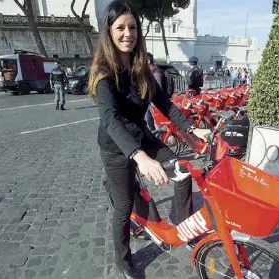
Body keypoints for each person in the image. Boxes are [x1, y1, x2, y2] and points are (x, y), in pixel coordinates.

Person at [87, 2, 211, 278]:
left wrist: (194, 129)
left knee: (182, 172)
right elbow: (110, 120)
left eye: (132, 27)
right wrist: (139, 157)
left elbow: (166, 106)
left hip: (142, 137)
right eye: (120, 27)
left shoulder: (142, 68)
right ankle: (123, 259)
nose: (127, 33)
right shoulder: (104, 72)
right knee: (124, 205)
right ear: (108, 31)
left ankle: (181, 225)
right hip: (116, 148)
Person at [144, 52, 164, 131]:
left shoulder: (156, 71)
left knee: (157, 122)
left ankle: (160, 138)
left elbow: (158, 87)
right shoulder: (148, 71)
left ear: (148, 60)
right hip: (148, 100)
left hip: (154, 101)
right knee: (148, 120)